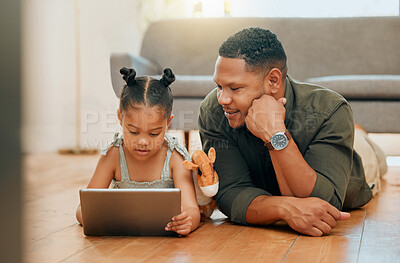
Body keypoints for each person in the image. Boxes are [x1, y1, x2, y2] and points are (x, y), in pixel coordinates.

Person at [198, 27, 379, 237]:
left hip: (359, 168)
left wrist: (275, 133)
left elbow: (324, 203)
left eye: (235, 88)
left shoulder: (330, 110)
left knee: (368, 149)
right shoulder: (213, 110)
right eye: (219, 86)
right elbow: (231, 194)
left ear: (273, 81)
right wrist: (285, 209)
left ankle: (361, 135)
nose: (222, 99)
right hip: (278, 189)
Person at [76, 67, 200, 235]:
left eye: (154, 133)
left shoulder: (174, 157)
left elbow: (191, 209)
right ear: (120, 118)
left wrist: (187, 222)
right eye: (133, 132)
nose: (143, 142)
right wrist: (100, 218)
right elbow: (84, 209)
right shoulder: (113, 154)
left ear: (168, 123)